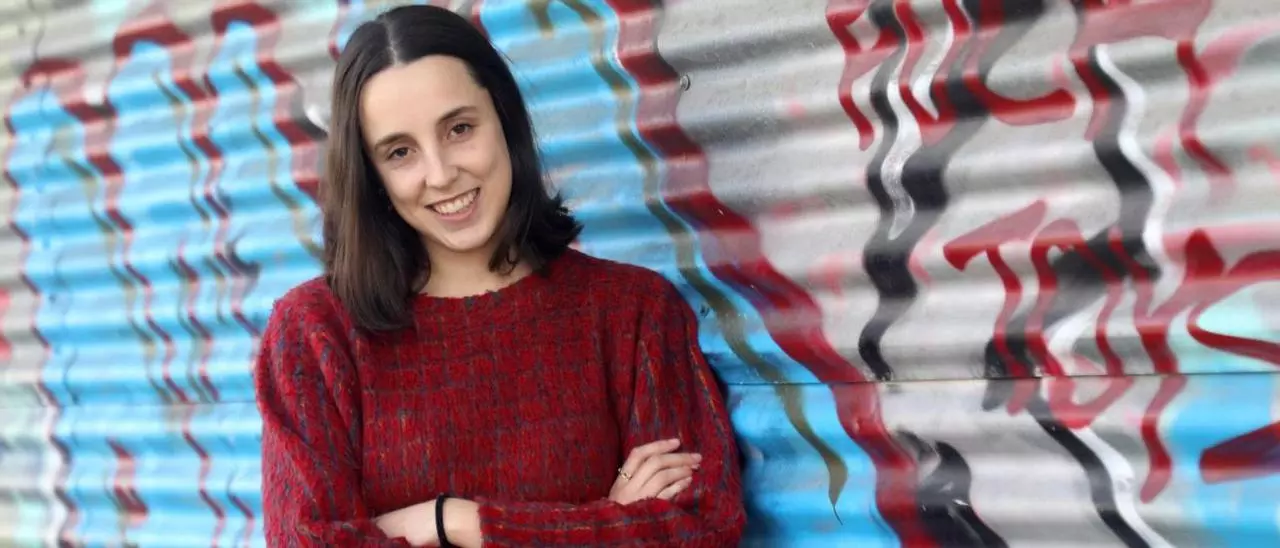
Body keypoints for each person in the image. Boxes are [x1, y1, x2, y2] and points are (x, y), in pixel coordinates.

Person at [253, 5, 745, 547]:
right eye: (400, 152)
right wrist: (602, 523)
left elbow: (703, 528)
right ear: (373, 175)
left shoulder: (634, 313)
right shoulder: (317, 334)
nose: (441, 174)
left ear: (505, 120)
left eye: (459, 128)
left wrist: (450, 521)